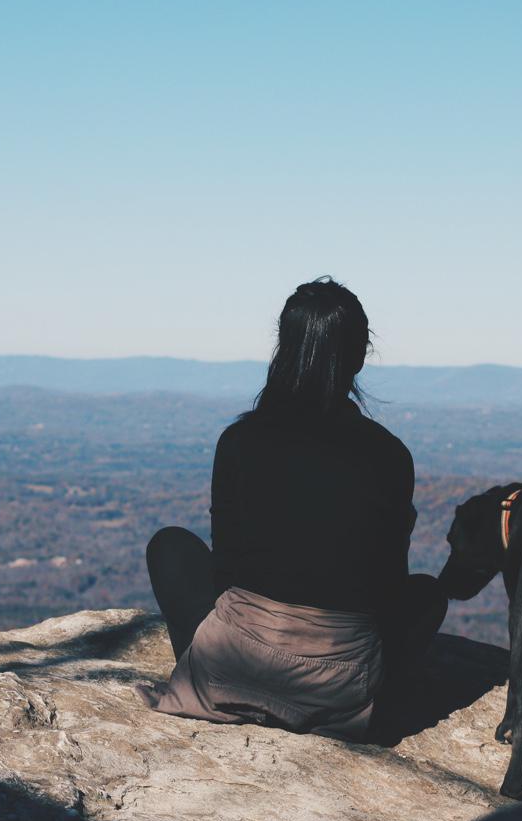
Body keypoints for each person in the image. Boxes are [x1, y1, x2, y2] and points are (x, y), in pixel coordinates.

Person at [137, 276, 447, 741]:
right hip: (338, 686)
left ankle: (218, 687)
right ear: (360, 356)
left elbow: (228, 565)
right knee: (427, 595)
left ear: (283, 348)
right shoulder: (389, 455)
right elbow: (388, 582)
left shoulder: (241, 441)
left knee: (170, 547)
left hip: (232, 666)